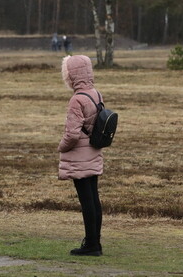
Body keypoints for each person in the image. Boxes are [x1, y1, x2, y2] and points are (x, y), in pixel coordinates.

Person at [57, 54, 104, 256]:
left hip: (79, 157)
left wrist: (61, 147)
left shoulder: (76, 100)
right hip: (93, 152)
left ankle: (91, 245)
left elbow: (72, 134)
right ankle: (95, 242)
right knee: (93, 198)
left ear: (72, 75)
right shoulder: (96, 94)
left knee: (86, 201)